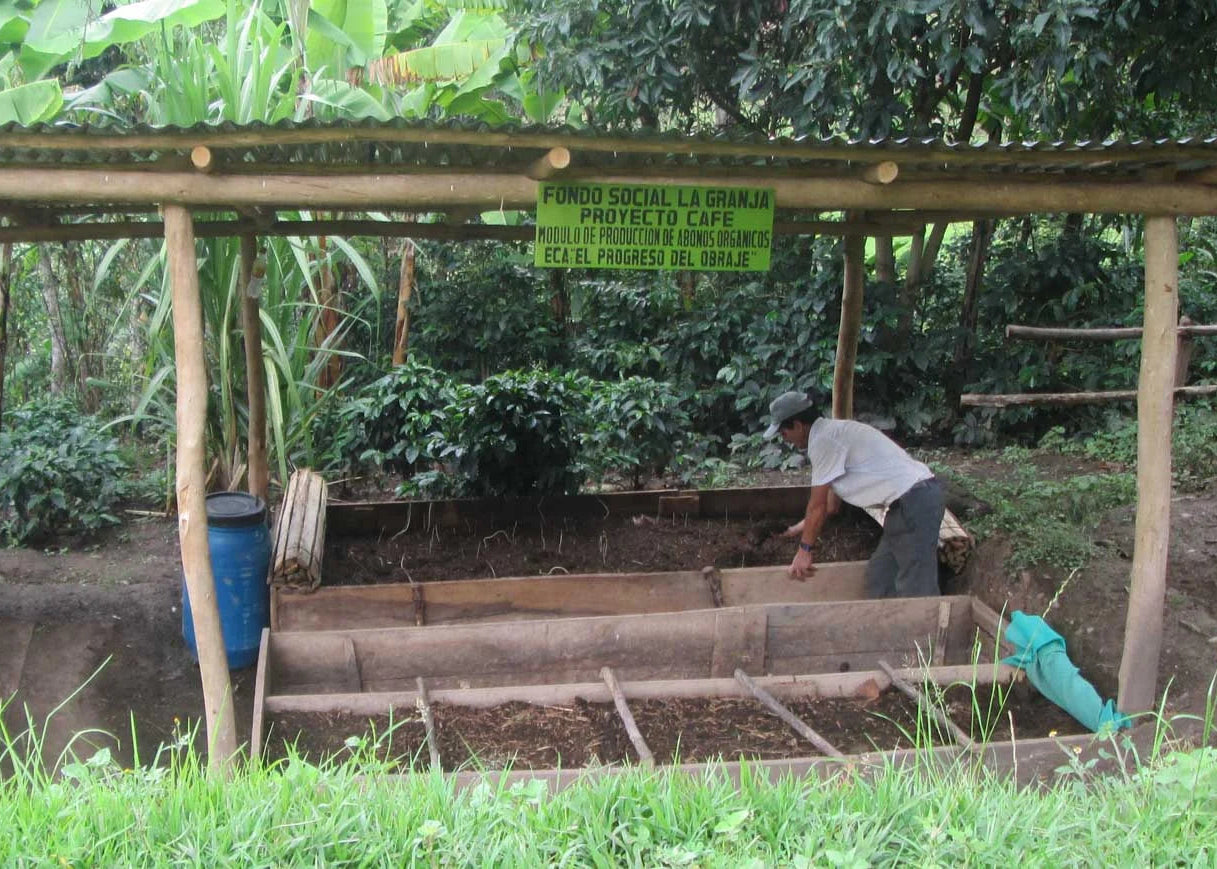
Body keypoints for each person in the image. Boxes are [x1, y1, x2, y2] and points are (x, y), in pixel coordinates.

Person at [763, 390, 944, 597]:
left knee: (916, 585)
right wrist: (795, 529)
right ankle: (887, 626)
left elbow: (818, 506)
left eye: (783, 433)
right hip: (904, 506)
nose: (785, 439)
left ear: (796, 425)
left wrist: (804, 551)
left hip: (915, 502)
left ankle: (926, 628)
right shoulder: (831, 434)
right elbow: (831, 506)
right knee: (880, 576)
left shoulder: (824, 441)